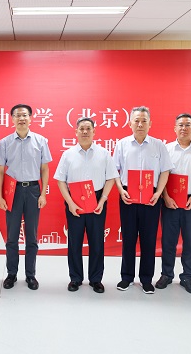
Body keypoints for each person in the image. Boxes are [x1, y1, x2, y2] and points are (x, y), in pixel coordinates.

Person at [113, 106, 173, 294]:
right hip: (128, 196)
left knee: (149, 239)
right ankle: (126, 277)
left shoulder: (159, 145)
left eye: (144, 121)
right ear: (130, 123)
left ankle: (146, 279)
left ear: (150, 124)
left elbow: (165, 171)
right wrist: (120, 190)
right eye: (136, 121)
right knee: (128, 238)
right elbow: (114, 171)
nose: (140, 124)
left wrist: (159, 192)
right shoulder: (122, 144)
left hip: (151, 198)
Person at [54, 117, 118, 293]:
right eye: (81, 128)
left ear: (94, 131)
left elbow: (111, 178)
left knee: (97, 242)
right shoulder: (68, 154)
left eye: (88, 128)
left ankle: (96, 279)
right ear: (76, 132)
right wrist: (70, 203)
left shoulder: (104, 153)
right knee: (74, 242)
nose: (84, 132)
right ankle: (75, 278)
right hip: (74, 201)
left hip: (97, 201)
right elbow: (60, 180)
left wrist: (102, 200)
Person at [155, 113, 191, 294]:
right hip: (170, 202)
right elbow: (160, 176)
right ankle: (166, 274)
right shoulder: (166, 149)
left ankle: (187, 276)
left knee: (190, 241)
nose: (184, 128)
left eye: (187, 125)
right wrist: (166, 197)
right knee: (168, 240)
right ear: (174, 128)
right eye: (180, 125)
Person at [0, 104, 52, 290]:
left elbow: (45, 169)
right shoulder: (5, 143)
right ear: (12, 119)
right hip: (13, 192)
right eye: (17, 115)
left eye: (24, 115)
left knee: (31, 236)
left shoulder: (40, 141)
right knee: (12, 236)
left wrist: (43, 194)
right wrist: (0, 196)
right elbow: (0, 171)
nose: (21, 118)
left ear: (31, 118)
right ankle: (11, 274)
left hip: (33, 190)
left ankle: (30, 275)